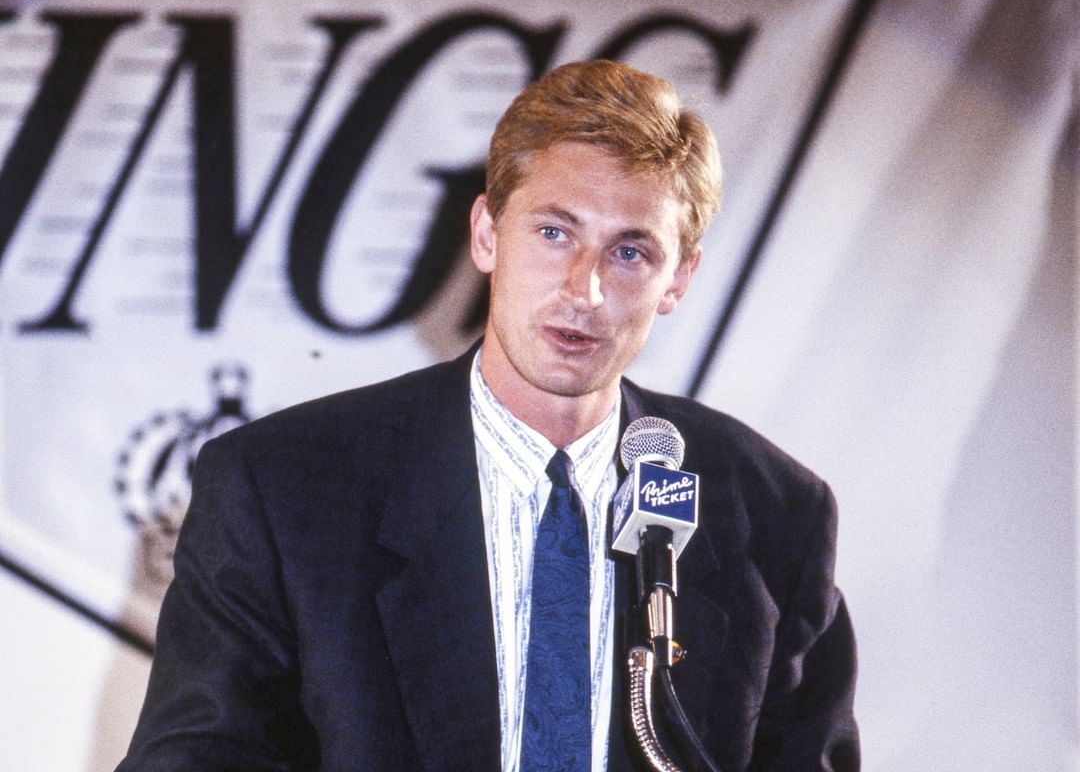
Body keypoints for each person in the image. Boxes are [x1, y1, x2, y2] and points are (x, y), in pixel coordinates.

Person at [116, 60, 858, 772]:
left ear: (679, 279)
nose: (585, 291)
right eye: (554, 233)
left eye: (630, 253)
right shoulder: (285, 490)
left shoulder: (774, 514)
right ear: (486, 234)